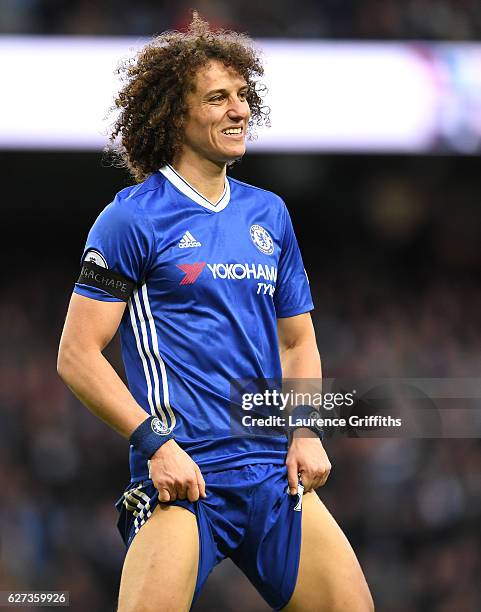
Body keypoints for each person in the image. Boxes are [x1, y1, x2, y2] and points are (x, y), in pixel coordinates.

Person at [57, 13, 374, 612]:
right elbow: (76, 355)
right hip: (186, 472)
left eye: (244, 96)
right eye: (218, 98)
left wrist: (305, 430)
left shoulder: (269, 215)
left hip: (271, 473)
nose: (239, 110)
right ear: (178, 115)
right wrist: (156, 445)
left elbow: (298, 343)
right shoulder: (132, 219)